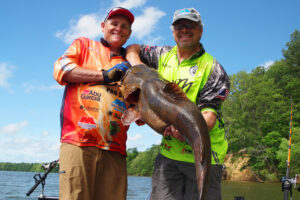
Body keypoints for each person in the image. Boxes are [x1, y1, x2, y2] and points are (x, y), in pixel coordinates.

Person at [126, 8, 230, 200]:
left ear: (201, 30)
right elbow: (132, 48)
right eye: (179, 26)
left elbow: (209, 117)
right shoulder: (161, 54)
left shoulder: (213, 69)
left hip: (204, 155)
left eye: (191, 25)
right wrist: (137, 66)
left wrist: (183, 128)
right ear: (173, 31)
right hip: (169, 154)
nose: (184, 30)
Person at [53, 7, 134, 200]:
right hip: (78, 141)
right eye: (114, 23)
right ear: (103, 26)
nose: (118, 29)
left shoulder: (132, 64)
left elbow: (138, 112)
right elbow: (62, 69)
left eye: (124, 26)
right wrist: (105, 75)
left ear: (129, 33)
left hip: (115, 148)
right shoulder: (83, 45)